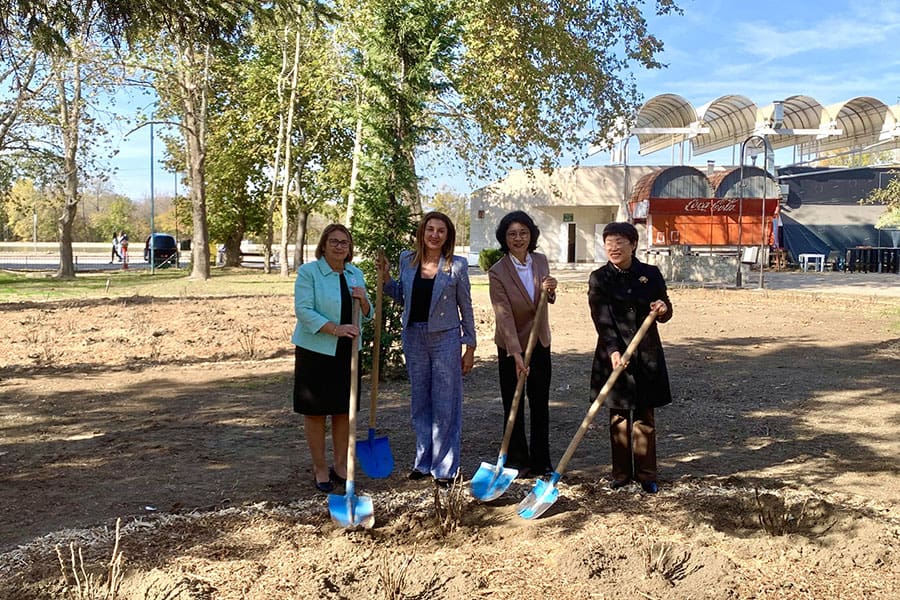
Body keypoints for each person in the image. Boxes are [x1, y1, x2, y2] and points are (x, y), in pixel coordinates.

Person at [378, 211, 476, 487]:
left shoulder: (456, 265)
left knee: (446, 403)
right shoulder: (407, 261)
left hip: (445, 338)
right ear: (422, 232)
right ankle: (423, 462)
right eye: (430, 229)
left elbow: (465, 307)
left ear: (448, 236)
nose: (434, 235)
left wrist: (469, 346)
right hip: (414, 337)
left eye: (440, 231)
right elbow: (402, 295)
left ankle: (444, 468)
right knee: (420, 402)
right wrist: (385, 279)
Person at [588, 222, 672, 494]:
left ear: (633, 245)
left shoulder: (650, 274)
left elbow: (666, 309)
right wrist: (613, 350)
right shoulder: (599, 278)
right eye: (609, 243)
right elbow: (601, 319)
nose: (613, 248)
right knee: (619, 416)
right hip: (613, 353)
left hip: (645, 353)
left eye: (619, 242)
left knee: (644, 414)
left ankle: (647, 474)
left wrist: (662, 308)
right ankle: (621, 474)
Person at [292, 224, 372, 493]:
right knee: (316, 413)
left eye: (345, 242)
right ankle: (320, 468)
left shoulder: (355, 273)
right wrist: (334, 329)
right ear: (323, 245)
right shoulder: (309, 272)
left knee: (342, 410)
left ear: (350, 248)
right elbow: (303, 310)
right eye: (334, 241)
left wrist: (364, 301)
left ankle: (340, 466)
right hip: (316, 351)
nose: (340, 246)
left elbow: (369, 312)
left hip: (346, 353)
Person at [487, 211, 557, 478]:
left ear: (531, 235)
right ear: (505, 238)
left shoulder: (540, 261)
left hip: (539, 341)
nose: (518, 238)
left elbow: (545, 298)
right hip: (510, 345)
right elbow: (503, 314)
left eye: (523, 233)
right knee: (513, 402)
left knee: (539, 401)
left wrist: (550, 289)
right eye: (512, 234)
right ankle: (517, 460)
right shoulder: (497, 272)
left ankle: (542, 461)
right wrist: (515, 354)